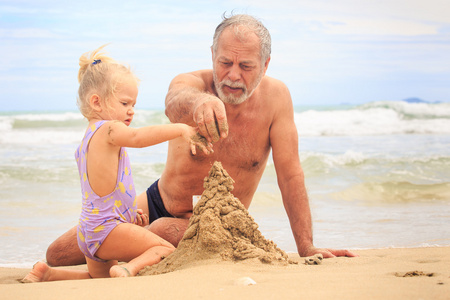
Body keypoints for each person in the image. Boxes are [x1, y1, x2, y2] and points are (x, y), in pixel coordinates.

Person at [46, 14, 356, 268]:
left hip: (214, 221)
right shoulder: (191, 83)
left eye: (246, 66)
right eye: (225, 63)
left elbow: (290, 174)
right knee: (58, 254)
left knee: (161, 232)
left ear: (265, 64)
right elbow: (175, 101)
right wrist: (199, 104)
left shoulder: (277, 99)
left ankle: (127, 264)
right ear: (212, 55)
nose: (232, 75)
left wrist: (306, 245)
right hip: (158, 200)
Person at [22, 46, 212, 282]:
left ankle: (48, 273)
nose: (131, 110)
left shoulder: (87, 140)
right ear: (97, 102)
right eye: (124, 103)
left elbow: (104, 193)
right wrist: (180, 129)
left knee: (97, 279)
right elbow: (138, 138)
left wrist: (129, 214)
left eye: (133, 104)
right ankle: (128, 270)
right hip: (106, 230)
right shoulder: (109, 129)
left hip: (89, 229)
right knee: (165, 250)